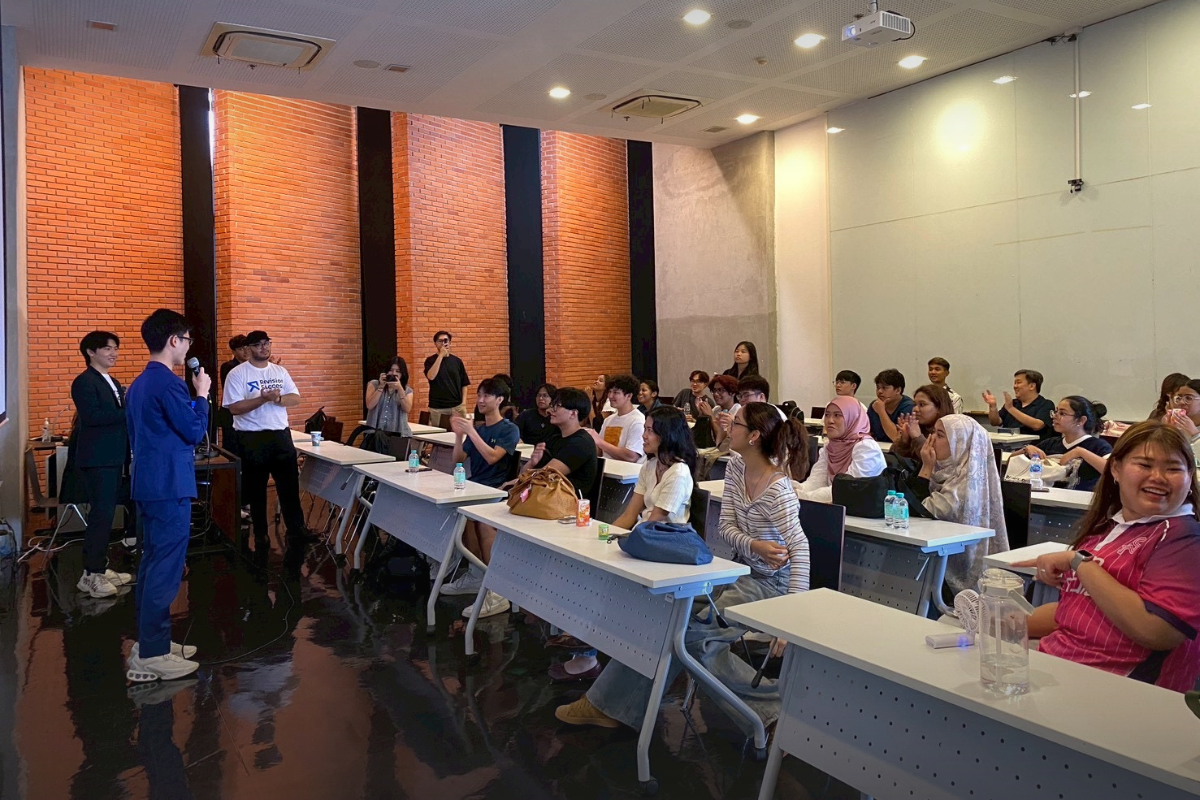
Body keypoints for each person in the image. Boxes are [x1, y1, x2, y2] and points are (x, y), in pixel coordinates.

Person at [555, 402, 809, 730]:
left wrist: (792, 620)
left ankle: (777, 712)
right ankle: (606, 705)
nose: (727, 427)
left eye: (736, 424)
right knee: (661, 616)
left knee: (692, 638)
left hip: (772, 583)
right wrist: (755, 545)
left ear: (755, 436)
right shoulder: (735, 467)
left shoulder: (778, 489)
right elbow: (728, 529)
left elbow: (800, 549)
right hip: (738, 569)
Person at [1021, 422, 1200, 692]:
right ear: (1115, 469)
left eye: (1173, 468)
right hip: (1061, 668)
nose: (1159, 477)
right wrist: (1004, 624)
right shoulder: (1111, 528)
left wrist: (1079, 563)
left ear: (1189, 478)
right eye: (1145, 465)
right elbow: (1081, 611)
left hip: (1118, 692)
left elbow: (1158, 632)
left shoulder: (1183, 538)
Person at [554, 407, 699, 682]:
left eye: (650, 430)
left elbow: (653, 523)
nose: (644, 435)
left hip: (664, 549)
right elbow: (630, 515)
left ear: (667, 435)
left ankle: (587, 648)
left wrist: (617, 544)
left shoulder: (678, 473)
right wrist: (602, 536)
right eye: (644, 428)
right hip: (643, 541)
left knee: (604, 578)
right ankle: (585, 646)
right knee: (590, 563)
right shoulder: (651, 466)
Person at [123, 309, 210, 682]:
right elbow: (192, 430)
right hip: (169, 484)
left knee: (152, 563)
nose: (188, 346)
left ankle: (150, 641)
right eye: (187, 339)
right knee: (165, 568)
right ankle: (153, 654)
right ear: (174, 341)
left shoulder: (141, 382)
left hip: (149, 482)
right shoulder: (170, 383)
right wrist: (202, 395)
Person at [442, 379, 522, 618]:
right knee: (461, 519)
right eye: (479, 395)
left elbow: (492, 457)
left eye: (487, 396)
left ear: (500, 400)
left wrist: (471, 432)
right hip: (475, 487)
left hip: (497, 491)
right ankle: (477, 575)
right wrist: (459, 436)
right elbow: (458, 459)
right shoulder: (480, 429)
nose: (481, 400)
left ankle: (497, 589)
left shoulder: (508, 429)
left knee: (481, 522)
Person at [222, 330, 308, 548]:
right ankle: (261, 534)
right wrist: (262, 399)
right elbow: (234, 408)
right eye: (258, 345)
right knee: (257, 488)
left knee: (289, 485)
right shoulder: (238, 374)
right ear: (249, 348)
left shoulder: (279, 371)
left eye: (267, 343)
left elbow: (295, 398)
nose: (264, 348)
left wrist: (277, 398)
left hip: (280, 434)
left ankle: (297, 530)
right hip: (251, 437)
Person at [908, 415, 1011, 595]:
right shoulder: (942, 471)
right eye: (932, 432)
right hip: (931, 559)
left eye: (940, 435)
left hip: (955, 578)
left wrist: (926, 469)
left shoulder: (965, 486)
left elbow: (920, 511)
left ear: (960, 443)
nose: (931, 440)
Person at [68, 330, 135, 598]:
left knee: (116, 509)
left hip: (114, 456)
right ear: (90, 352)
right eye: (108, 348)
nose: (114, 353)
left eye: (116, 348)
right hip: (97, 458)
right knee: (102, 515)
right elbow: (93, 416)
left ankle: (100, 567)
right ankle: (90, 575)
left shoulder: (111, 380)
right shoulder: (84, 382)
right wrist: (127, 409)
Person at [795, 397, 885, 503]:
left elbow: (845, 490)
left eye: (837, 415)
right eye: (827, 415)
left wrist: (800, 496)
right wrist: (793, 489)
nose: (830, 421)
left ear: (853, 418)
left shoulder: (867, 449)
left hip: (864, 515)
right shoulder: (829, 447)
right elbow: (816, 482)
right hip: (840, 511)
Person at [522, 387, 599, 502]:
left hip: (566, 506)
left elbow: (544, 477)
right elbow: (524, 476)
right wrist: (531, 463)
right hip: (546, 499)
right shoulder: (555, 439)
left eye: (557, 406)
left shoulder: (581, 443)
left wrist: (515, 483)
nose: (550, 410)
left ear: (573, 413)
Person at [1021, 397, 1112, 491]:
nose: (1054, 416)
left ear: (1081, 420)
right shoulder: (1050, 443)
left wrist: (1080, 452)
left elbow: (1113, 471)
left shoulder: (1098, 446)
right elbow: (1012, 461)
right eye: (1055, 412)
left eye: (1062, 413)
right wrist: (1027, 449)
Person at [588, 374, 645, 464]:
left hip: (627, 475)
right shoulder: (608, 420)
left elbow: (631, 456)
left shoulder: (637, 421)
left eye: (615, 393)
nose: (610, 396)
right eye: (609, 392)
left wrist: (600, 442)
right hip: (607, 470)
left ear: (629, 396)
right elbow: (599, 452)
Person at [891, 384, 955, 460]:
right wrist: (904, 440)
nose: (915, 409)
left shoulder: (949, 433)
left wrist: (917, 438)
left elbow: (936, 464)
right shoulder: (916, 428)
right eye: (914, 404)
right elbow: (893, 458)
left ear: (938, 408)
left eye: (922, 404)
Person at [983, 369, 1053, 437]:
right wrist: (993, 407)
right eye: (1015, 383)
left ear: (1032, 386)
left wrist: (1011, 409)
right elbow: (995, 422)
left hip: (1033, 446)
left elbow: (1037, 425)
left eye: (1018, 382)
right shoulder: (1013, 403)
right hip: (1007, 446)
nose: (1015, 386)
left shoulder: (1046, 404)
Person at [423, 331, 469, 428]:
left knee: (460, 436)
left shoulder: (457, 361)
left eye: (446, 340)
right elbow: (431, 376)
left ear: (450, 342)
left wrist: (463, 403)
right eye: (440, 341)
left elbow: (464, 383)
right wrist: (441, 356)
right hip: (438, 408)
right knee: (440, 438)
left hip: (457, 406)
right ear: (435, 343)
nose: (444, 343)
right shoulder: (430, 360)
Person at [364, 357, 413, 438]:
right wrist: (381, 387)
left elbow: (407, 409)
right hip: (374, 434)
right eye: (391, 370)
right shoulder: (374, 384)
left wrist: (400, 389)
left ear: (402, 374)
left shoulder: (407, 391)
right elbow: (369, 405)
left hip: (398, 435)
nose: (393, 373)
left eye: (397, 371)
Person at [867, 368, 914, 443]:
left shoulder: (909, 407)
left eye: (884, 388)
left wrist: (881, 412)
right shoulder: (874, 405)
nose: (880, 391)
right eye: (878, 387)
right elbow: (868, 432)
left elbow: (896, 438)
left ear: (898, 390)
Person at [1164, 379, 1200, 465]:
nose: (1181, 402)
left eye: (1188, 398)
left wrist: (1195, 435)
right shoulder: (1176, 423)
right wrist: (1167, 432)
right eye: (1178, 398)